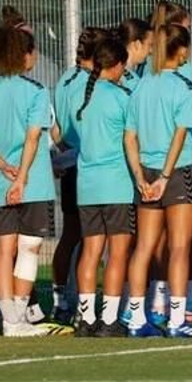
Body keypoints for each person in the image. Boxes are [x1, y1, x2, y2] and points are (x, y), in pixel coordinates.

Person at [0, 24, 72, 337]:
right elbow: (32, 138)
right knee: (28, 248)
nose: (35, 57)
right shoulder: (36, 92)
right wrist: (22, 177)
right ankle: (17, 316)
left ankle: (10, 319)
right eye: (32, 51)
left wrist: (3, 167)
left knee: (3, 248)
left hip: (0, 180)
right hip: (33, 181)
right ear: (24, 55)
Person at [125, 25, 192, 338]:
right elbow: (180, 136)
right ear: (181, 51)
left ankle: (135, 319)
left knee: (143, 247)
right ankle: (176, 319)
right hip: (177, 172)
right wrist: (166, 177)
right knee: (180, 247)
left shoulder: (141, 86)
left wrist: (141, 176)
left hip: (147, 171)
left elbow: (129, 136)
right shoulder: (184, 87)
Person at [69, 32, 135, 337]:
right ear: (117, 64)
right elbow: (131, 141)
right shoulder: (122, 97)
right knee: (118, 253)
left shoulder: (80, 94)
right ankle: (109, 319)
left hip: (87, 185)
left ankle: (85, 318)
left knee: (91, 251)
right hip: (116, 184)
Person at [51, 29, 110, 321]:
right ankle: (79, 303)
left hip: (70, 159)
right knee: (92, 239)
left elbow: (57, 123)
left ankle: (62, 299)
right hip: (86, 162)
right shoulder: (90, 83)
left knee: (71, 236)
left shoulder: (64, 79)